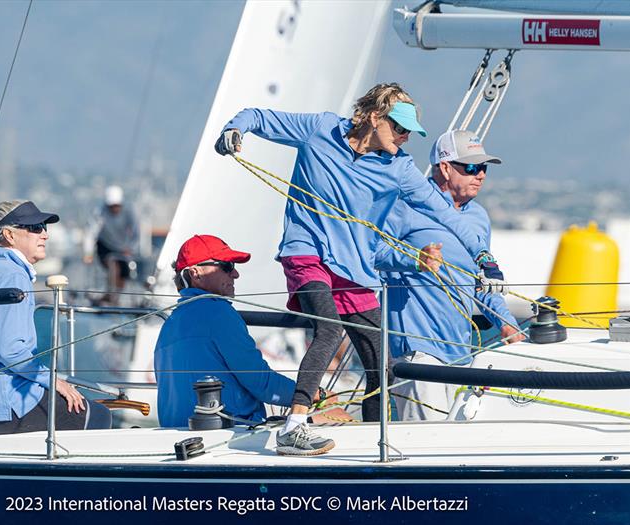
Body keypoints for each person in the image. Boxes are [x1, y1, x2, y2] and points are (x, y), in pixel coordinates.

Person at [215, 83, 508, 455]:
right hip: (307, 253)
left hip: (353, 266)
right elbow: (259, 116)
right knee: (330, 330)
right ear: (373, 117)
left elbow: (445, 212)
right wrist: (234, 130)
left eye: (409, 133)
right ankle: (294, 425)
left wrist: (485, 258)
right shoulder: (320, 130)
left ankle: (372, 440)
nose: (404, 138)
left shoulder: (399, 168)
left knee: (378, 361)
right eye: (398, 128)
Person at [375, 130, 526, 421]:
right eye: (471, 167)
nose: (480, 175)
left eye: (483, 168)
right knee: (423, 447)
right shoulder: (405, 206)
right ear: (444, 168)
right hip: (417, 348)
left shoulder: (478, 217)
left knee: (452, 447)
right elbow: (371, 253)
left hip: (461, 351)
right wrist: (415, 260)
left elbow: (482, 283)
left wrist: (507, 325)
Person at [0, 200, 112, 435]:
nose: (44, 234)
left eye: (44, 227)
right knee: (99, 415)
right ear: (10, 235)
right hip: (1, 410)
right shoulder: (14, 276)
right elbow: (10, 350)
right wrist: (54, 381)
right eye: (35, 227)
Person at [154, 234, 345, 437]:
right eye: (227, 266)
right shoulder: (218, 312)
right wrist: (317, 394)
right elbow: (261, 384)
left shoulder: (170, 324)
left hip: (177, 435)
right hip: (230, 435)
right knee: (340, 417)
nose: (235, 274)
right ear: (196, 273)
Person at [83, 185, 139, 304]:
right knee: (113, 266)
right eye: (112, 206)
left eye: (117, 205)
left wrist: (131, 248)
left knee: (124, 274)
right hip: (105, 247)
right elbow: (91, 233)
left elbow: (136, 232)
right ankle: (112, 297)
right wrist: (88, 252)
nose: (115, 208)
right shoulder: (100, 212)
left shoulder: (129, 211)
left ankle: (113, 297)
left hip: (123, 248)